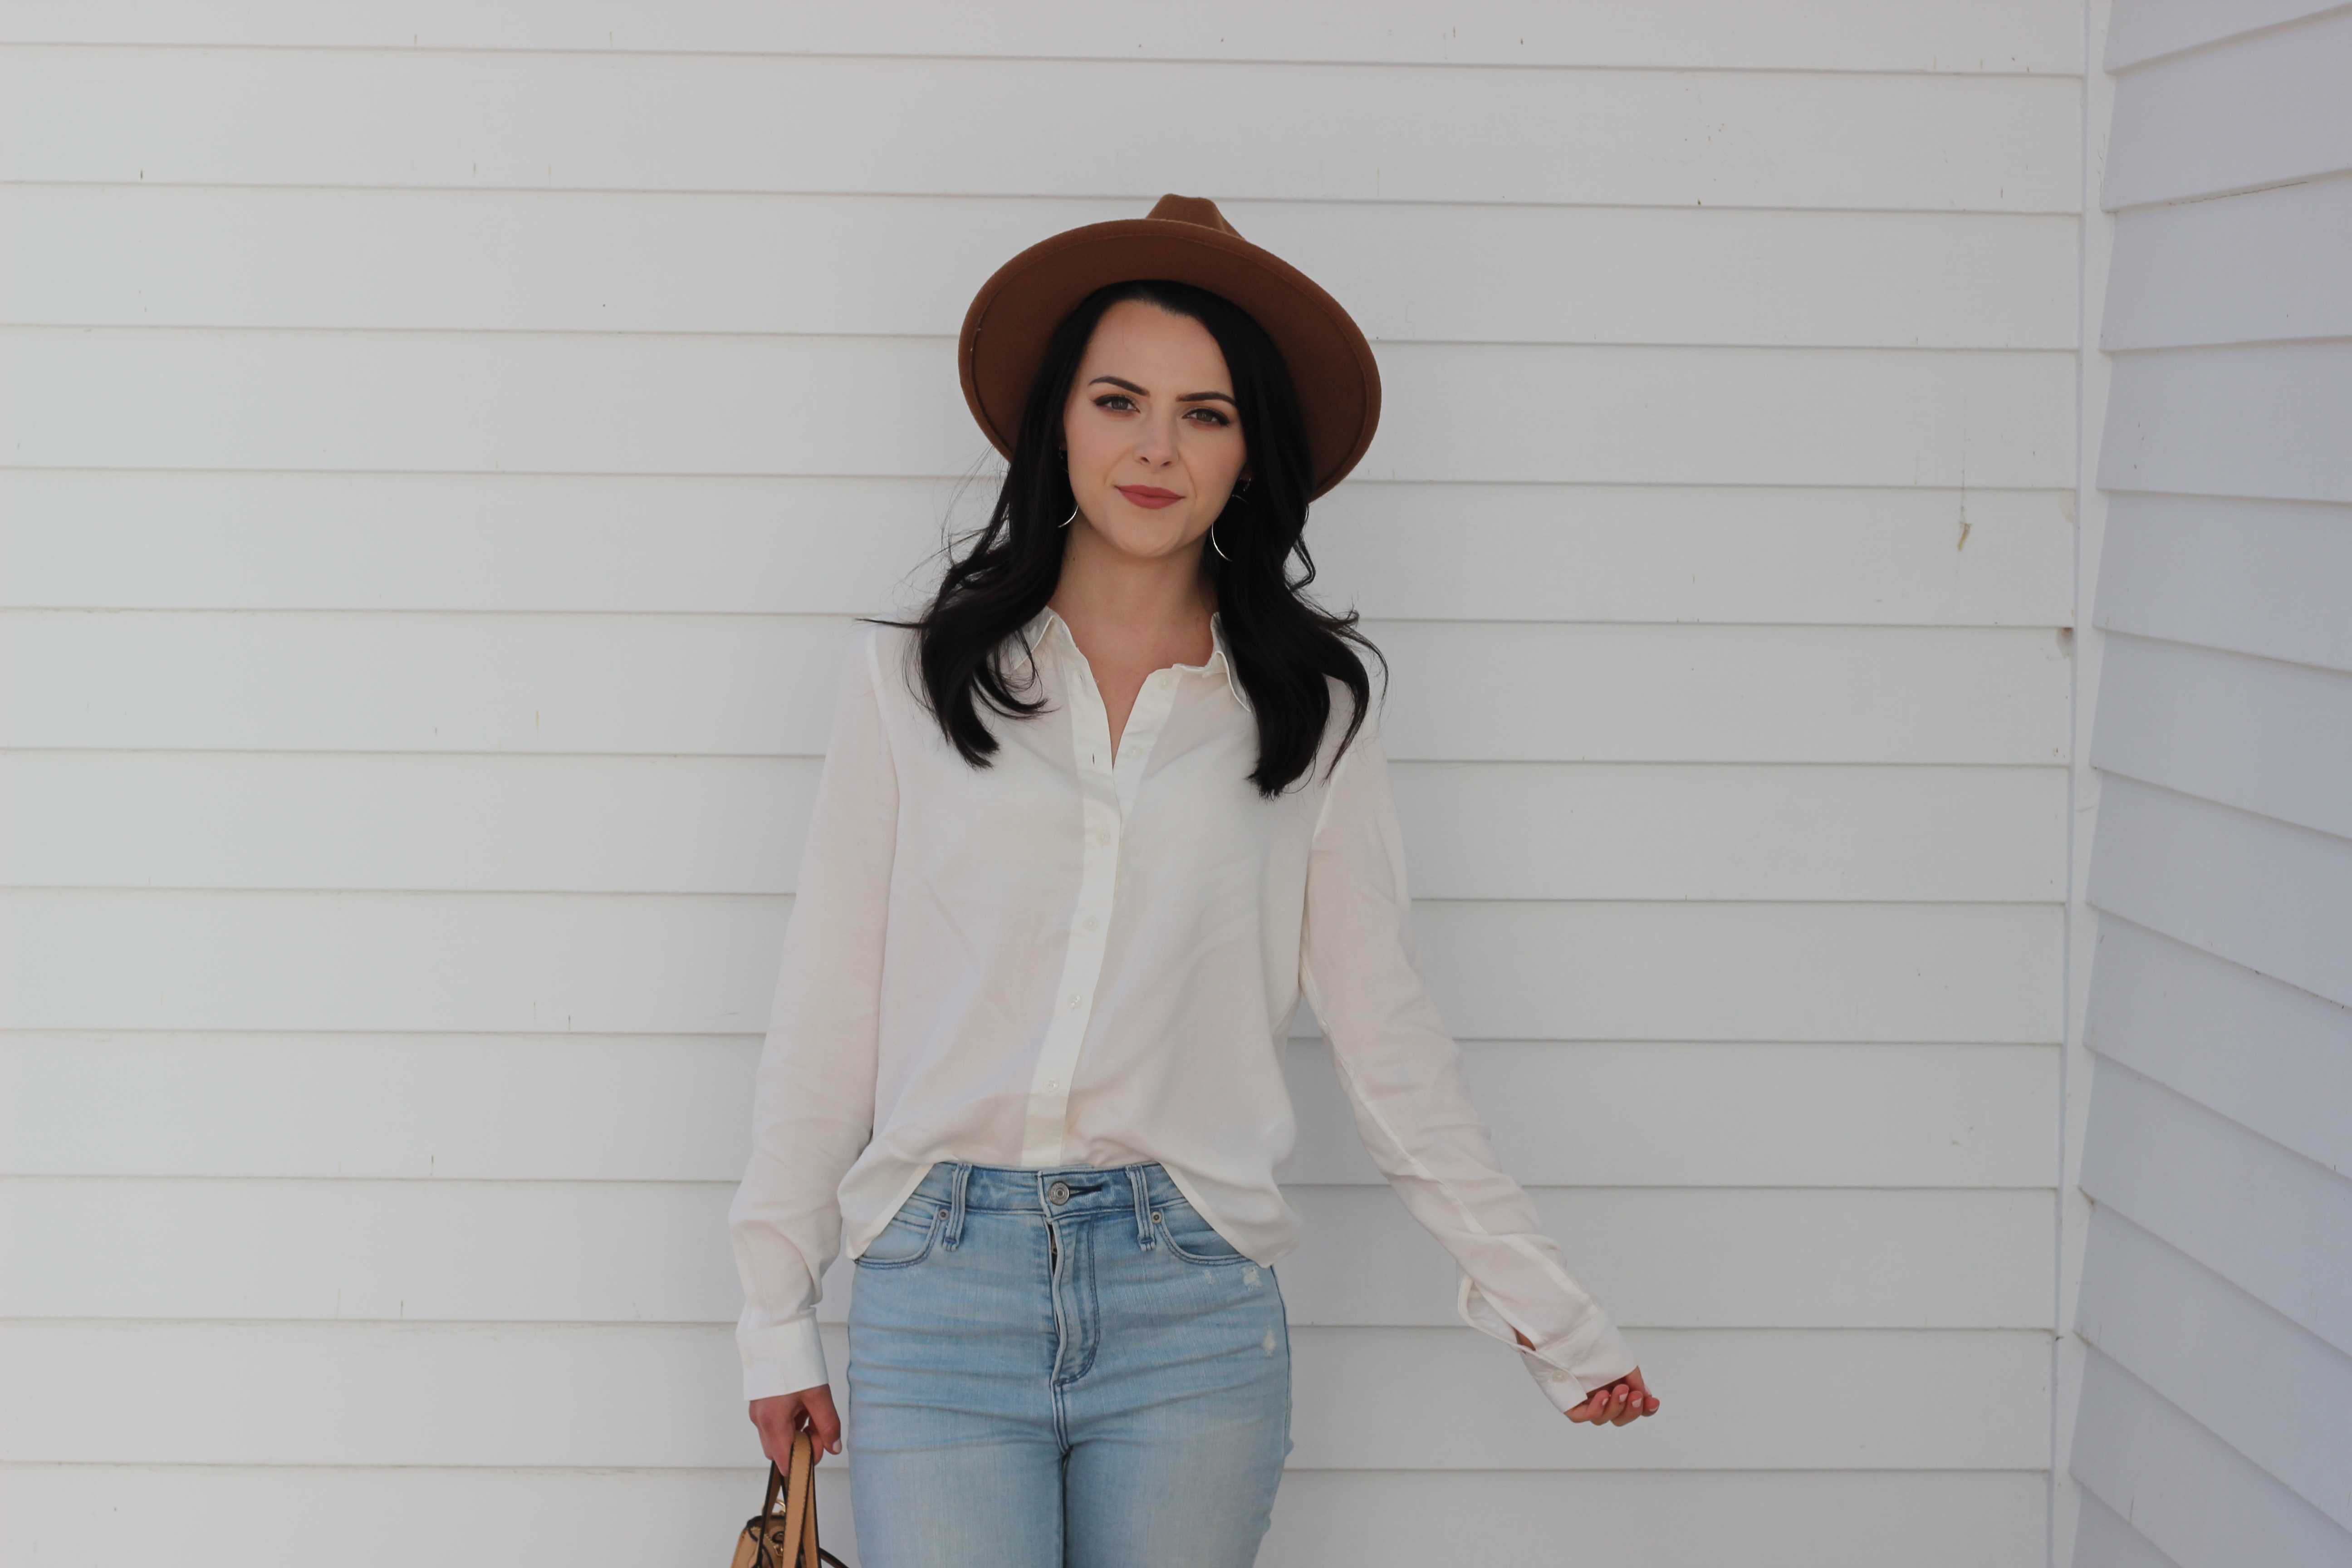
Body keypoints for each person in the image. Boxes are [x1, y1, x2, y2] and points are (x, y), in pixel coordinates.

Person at [727, 193, 1660, 1568]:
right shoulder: (910, 682)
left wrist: (1545, 1305)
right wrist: (774, 1306)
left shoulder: (1310, 713)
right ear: (1060, 423)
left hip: (1193, 1302)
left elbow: (1386, 1035)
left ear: (1249, 456)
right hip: (942, 1283)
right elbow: (827, 1012)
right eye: (1120, 401)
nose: (1157, 447)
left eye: (1207, 414)